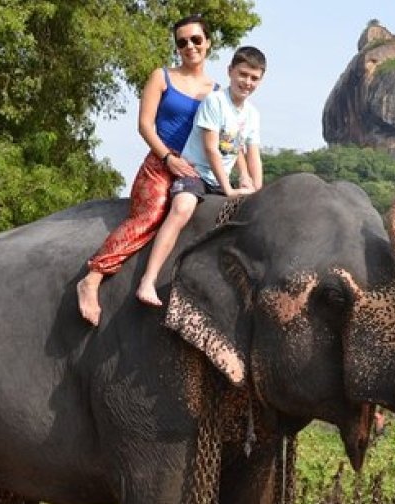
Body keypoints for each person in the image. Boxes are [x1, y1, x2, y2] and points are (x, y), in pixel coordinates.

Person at [77, 14, 217, 326]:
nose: (190, 46)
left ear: (208, 42)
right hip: (160, 163)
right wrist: (168, 158)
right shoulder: (162, 76)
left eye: (196, 39)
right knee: (150, 215)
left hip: (194, 170)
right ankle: (93, 278)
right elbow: (144, 125)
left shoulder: (217, 91)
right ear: (177, 48)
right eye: (182, 42)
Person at [135, 46, 266, 306]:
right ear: (230, 72)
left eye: (254, 78)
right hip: (197, 172)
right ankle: (148, 280)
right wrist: (228, 189)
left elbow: (253, 155)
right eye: (243, 74)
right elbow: (211, 148)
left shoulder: (252, 115)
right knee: (183, 207)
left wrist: (257, 189)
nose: (247, 82)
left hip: (222, 180)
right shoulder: (215, 101)